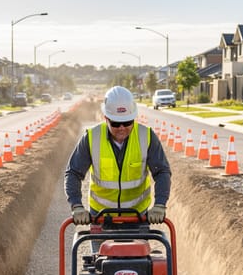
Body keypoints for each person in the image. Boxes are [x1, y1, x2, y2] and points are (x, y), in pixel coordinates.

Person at [64, 86, 171, 228]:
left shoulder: (147, 137)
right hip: (100, 217)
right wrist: (77, 206)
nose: (122, 127)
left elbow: (162, 172)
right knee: (99, 251)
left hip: (137, 217)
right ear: (106, 118)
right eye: (115, 123)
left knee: (139, 250)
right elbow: (73, 173)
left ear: (134, 118)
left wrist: (159, 205)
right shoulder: (92, 138)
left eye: (127, 122)